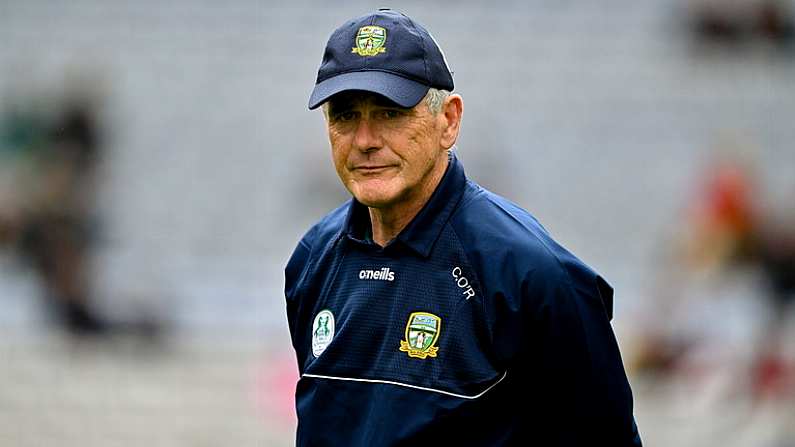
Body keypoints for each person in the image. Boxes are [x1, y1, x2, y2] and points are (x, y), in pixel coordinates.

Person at [285, 9, 642, 446]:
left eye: (390, 113)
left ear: (448, 121)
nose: (365, 140)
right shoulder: (311, 260)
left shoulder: (532, 275)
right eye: (344, 115)